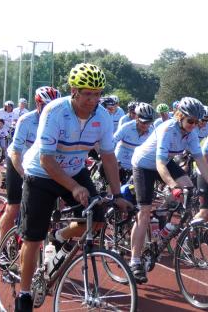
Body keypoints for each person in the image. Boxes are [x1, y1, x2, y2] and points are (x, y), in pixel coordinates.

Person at [14, 64, 127, 311]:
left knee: (97, 218)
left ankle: (59, 237)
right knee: (33, 237)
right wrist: (75, 187)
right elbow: (46, 159)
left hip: (75, 170)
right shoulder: (55, 111)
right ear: (74, 90)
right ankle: (23, 295)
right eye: (88, 93)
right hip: (42, 174)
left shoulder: (103, 117)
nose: (94, 99)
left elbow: (108, 156)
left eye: (98, 93)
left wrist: (117, 194)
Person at [130, 96, 208, 284]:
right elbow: (160, 164)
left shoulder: (191, 133)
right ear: (180, 116)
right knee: (144, 212)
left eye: (197, 122)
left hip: (165, 163)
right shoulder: (167, 129)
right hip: (145, 164)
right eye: (191, 121)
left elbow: (200, 160)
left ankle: (163, 218)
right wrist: (173, 187)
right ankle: (135, 260)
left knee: (190, 189)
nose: (194, 125)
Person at [0, 86, 61, 245]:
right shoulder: (26, 120)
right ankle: (2, 247)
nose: (50, 110)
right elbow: (16, 152)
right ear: (38, 104)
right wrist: (22, 173)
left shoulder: (59, 122)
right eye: (46, 106)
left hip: (39, 166)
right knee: (14, 207)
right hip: (18, 162)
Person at [114, 102, 155, 183]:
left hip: (136, 166)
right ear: (136, 117)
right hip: (120, 164)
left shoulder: (152, 131)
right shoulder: (126, 127)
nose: (146, 125)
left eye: (149, 122)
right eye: (143, 122)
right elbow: (113, 141)